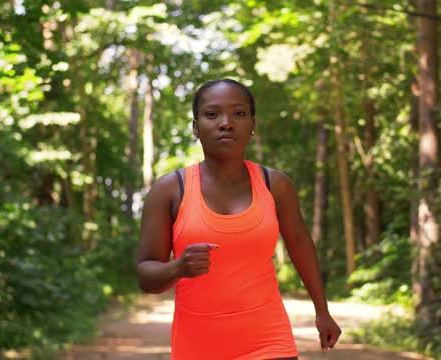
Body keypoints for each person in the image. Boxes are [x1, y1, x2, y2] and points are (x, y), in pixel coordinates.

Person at [136, 79, 341, 359]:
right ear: (195, 128)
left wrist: (322, 310)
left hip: (269, 341)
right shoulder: (170, 190)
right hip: (197, 347)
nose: (226, 123)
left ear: (253, 125)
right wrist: (178, 268)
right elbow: (146, 276)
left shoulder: (275, 185)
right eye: (212, 114)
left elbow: (299, 244)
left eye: (239, 114)